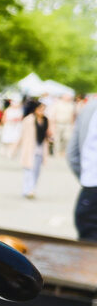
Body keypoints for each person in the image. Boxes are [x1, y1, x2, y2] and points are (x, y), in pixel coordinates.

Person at [67, 96, 97, 240]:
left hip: (92, 189)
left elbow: (72, 155)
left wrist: (87, 180)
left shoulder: (90, 108)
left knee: (89, 247)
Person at [15, 99, 51, 198]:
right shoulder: (29, 120)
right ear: (35, 109)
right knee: (28, 170)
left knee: (37, 171)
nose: (42, 111)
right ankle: (28, 190)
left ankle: (31, 188)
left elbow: (48, 133)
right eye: (40, 109)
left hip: (40, 148)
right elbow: (21, 134)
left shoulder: (46, 120)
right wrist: (15, 148)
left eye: (44, 109)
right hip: (30, 147)